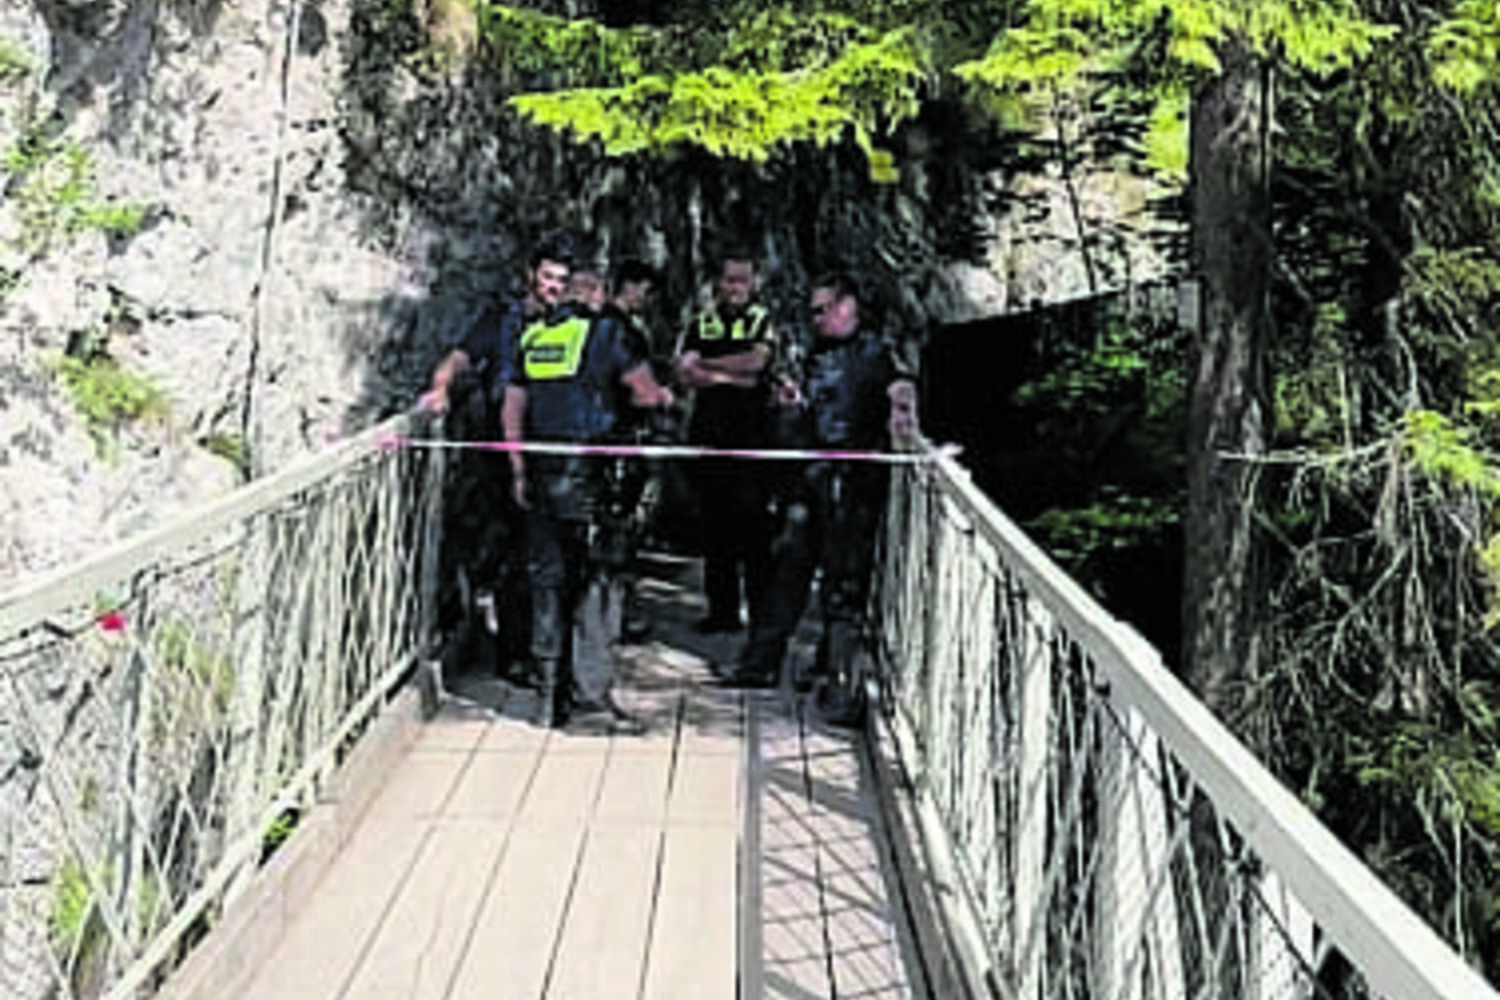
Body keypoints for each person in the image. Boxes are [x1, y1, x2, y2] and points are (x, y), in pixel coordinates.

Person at [721, 272, 919, 728]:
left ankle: (838, 682)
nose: (816, 319)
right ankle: (761, 664)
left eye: (823, 309)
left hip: (852, 485)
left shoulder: (874, 352)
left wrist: (902, 407)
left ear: (847, 306)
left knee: (843, 586)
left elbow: (898, 384)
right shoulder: (815, 352)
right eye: (813, 311)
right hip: (808, 478)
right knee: (787, 571)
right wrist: (790, 406)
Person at [502, 258, 675, 731]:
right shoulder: (606, 333)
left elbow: (512, 407)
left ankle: (547, 698)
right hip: (592, 478)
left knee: (547, 584)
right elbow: (643, 392)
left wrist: (518, 469)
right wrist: (663, 397)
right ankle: (589, 699)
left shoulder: (534, 335)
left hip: (540, 473)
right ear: (597, 293)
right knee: (595, 586)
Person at [417, 236, 572, 682]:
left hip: (552, 450)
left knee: (549, 555)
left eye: (561, 281)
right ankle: (511, 653)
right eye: (547, 277)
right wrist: (440, 389)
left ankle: (545, 651)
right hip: (498, 454)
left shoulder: (574, 326)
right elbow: (459, 358)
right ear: (531, 275)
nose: (553, 287)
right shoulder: (502, 321)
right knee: (509, 552)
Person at [673, 252, 778, 634]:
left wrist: (712, 368)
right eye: (730, 280)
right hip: (709, 438)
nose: (736, 287)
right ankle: (723, 612)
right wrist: (730, 376)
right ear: (719, 282)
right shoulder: (702, 321)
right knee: (715, 531)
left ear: (753, 284)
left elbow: (757, 363)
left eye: (742, 280)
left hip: (751, 439)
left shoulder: (760, 319)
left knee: (755, 531)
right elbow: (685, 371)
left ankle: (762, 615)